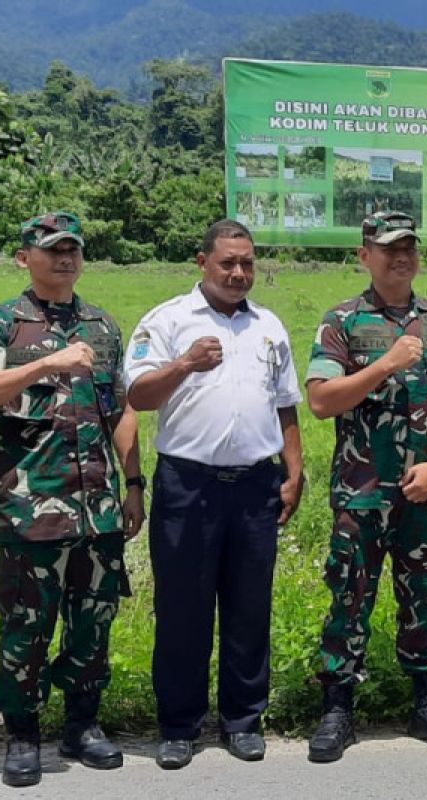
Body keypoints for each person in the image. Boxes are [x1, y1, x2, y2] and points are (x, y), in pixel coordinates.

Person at [125, 219, 305, 769]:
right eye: (227, 261)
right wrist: (184, 364)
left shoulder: (269, 326)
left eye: (247, 262)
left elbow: (286, 404)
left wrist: (293, 470)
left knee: (250, 607)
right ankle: (179, 725)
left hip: (255, 485)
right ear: (202, 261)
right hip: (189, 485)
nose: (238, 272)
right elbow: (137, 395)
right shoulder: (168, 321)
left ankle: (243, 720)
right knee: (183, 609)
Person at [0, 212, 145, 787]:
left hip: (97, 509)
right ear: (25, 257)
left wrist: (135, 483)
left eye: (72, 248)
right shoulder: (0, 324)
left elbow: (120, 411)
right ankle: (22, 732)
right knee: (25, 624)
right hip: (29, 508)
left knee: (92, 622)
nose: (64, 258)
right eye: (51, 249)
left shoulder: (101, 325)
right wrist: (48, 362)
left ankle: (83, 722)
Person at [305, 211, 427, 762]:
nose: (400, 257)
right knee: (349, 596)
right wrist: (385, 363)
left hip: (425, 490)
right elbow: (321, 400)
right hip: (361, 491)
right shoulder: (342, 321)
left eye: (408, 247)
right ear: (364, 256)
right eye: (388, 248)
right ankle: (337, 708)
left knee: (424, 594)